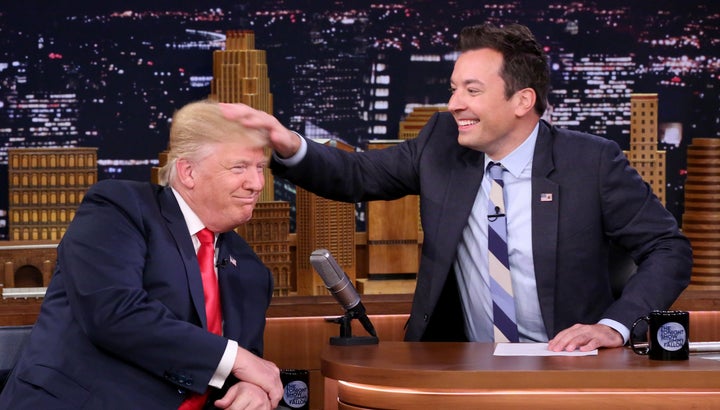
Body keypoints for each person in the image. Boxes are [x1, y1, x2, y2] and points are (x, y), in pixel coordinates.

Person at [220, 22, 693, 352]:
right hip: (463, 362)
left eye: (471, 90)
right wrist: (287, 143)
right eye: (453, 88)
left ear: (523, 100)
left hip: (568, 363)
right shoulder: (441, 142)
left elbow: (668, 249)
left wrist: (613, 326)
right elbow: (356, 175)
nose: (453, 104)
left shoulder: (589, 161)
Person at [0, 99, 283, 409]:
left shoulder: (251, 269)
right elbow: (114, 312)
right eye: (239, 167)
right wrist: (236, 360)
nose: (256, 183)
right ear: (188, 171)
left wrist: (252, 388)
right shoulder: (119, 208)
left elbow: (249, 365)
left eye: (259, 168)